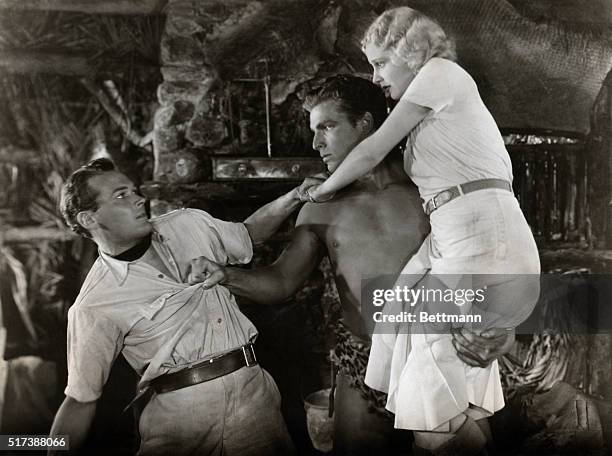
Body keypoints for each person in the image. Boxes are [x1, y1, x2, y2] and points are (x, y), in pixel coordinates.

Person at [187, 75, 518, 455]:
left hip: (440, 356)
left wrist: (501, 329)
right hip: (363, 362)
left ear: (365, 123)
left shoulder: (430, 188)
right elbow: (281, 281)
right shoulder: (321, 205)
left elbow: (493, 263)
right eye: (314, 130)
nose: (315, 143)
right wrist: (225, 276)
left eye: (327, 127)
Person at [299, 7, 541, 454]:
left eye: (380, 63)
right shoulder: (431, 118)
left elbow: (371, 151)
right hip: (453, 239)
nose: (375, 78)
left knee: (429, 412)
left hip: (484, 237)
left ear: (411, 52)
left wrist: (319, 192)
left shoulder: (442, 72)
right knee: (411, 339)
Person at [48, 158, 299, 456]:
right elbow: (80, 399)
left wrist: (296, 196)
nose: (139, 199)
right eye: (121, 195)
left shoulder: (187, 225)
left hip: (255, 398)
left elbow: (249, 234)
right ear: (89, 219)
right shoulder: (94, 304)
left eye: (133, 190)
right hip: (181, 422)